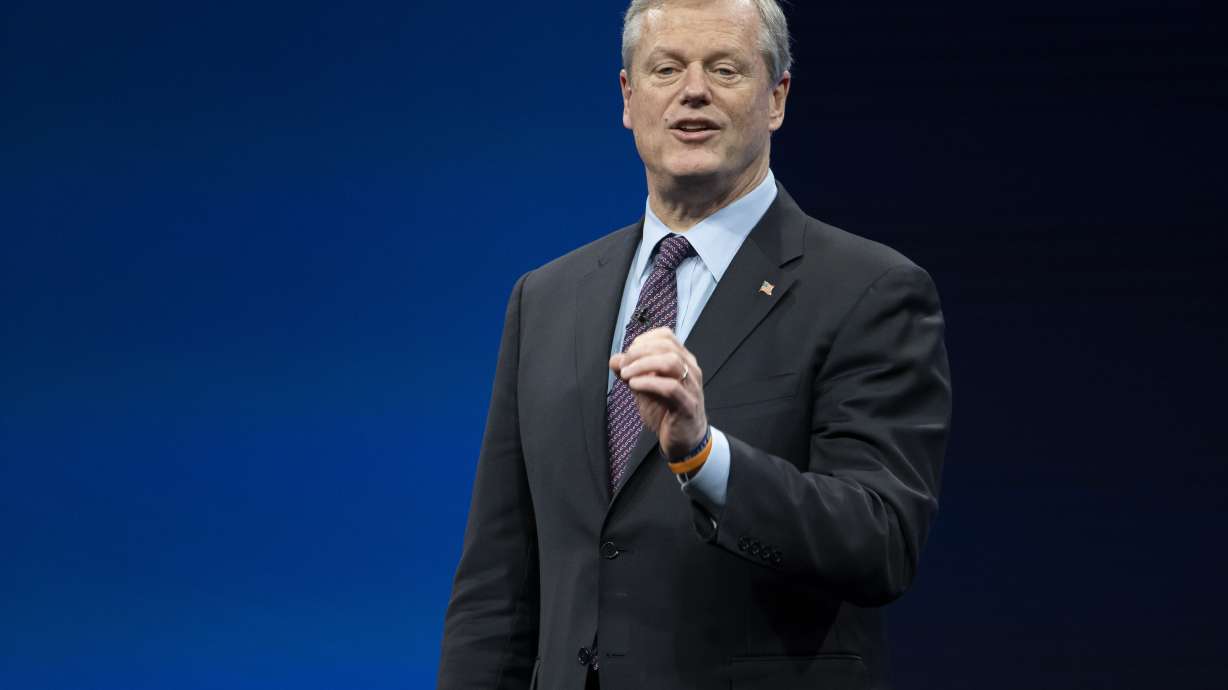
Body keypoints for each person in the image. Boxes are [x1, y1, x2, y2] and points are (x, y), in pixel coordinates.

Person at [437, 1, 951, 688]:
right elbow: (497, 582)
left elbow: (879, 541)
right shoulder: (546, 298)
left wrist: (707, 457)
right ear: (628, 96)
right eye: (667, 68)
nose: (693, 91)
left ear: (777, 97)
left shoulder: (870, 290)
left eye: (725, 69)